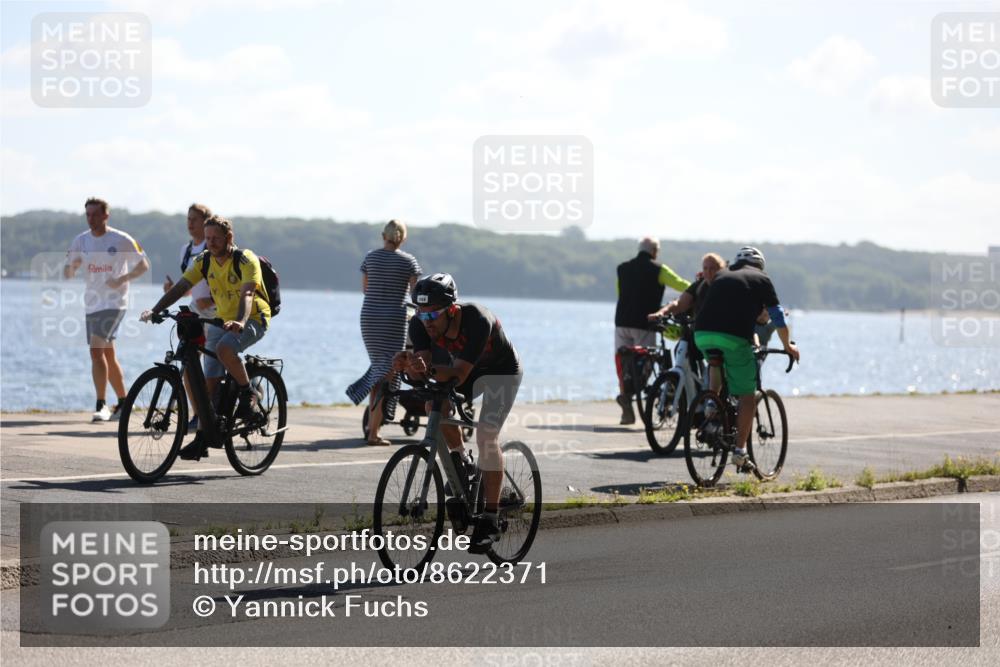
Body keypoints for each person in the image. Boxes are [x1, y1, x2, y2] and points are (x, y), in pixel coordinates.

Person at [392, 273, 521, 554]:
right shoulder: (420, 324)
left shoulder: (476, 320)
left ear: (451, 310)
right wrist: (409, 366)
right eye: (422, 316)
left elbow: (459, 373)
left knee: (487, 435)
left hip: (500, 372)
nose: (428, 322)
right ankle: (462, 460)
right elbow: (425, 365)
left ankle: (490, 517)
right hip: (467, 370)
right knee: (434, 407)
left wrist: (422, 368)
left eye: (434, 316)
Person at [141, 215, 271, 461]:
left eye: (216, 238)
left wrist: (241, 322)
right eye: (208, 238)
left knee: (225, 349)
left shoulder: (245, 259)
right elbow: (180, 287)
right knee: (208, 383)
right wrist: (156, 310)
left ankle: (247, 392)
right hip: (222, 320)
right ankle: (202, 441)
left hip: (253, 318)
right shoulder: (204, 261)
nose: (210, 243)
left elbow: (248, 295)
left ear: (229, 238)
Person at [694, 246, 800, 472]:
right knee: (747, 396)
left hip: (701, 334)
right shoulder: (762, 278)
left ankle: (712, 403)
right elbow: (777, 316)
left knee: (715, 362)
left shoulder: (722, 275)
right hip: (733, 339)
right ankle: (740, 452)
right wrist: (787, 345)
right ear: (760, 265)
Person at [64, 197, 149, 422]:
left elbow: (144, 264)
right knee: (108, 355)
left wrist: (123, 278)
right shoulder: (81, 241)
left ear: (105, 216)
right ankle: (124, 403)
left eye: (94, 214)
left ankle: (101, 405)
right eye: (87, 214)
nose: (91, 219)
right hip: (92, 303)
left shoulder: (120, 239)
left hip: (114, 303)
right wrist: (70, 269)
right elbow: (68, 268)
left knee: (95, 350)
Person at [346, 220, 422, 446]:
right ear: (403, 238)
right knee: (386, 376)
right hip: (394, 320)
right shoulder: (409, 261)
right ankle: (372, 433)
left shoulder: (371, 257)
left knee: (382, 369)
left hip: (369, 318)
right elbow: (416, 295)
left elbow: (365, 289)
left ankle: (373, 426)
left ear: (383, 235)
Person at [614, 237, 689, 424]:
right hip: (644, 323)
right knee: (647, 359)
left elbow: (619, 293)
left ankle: (625, 397)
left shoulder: (622, 268)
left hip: (622, 322)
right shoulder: (659, 269)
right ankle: (636, 391)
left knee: (623, 361)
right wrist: (700, 288)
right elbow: (681, 285)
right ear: (655, 251)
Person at [162, 203, 221, 433]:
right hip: (196, 310)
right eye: (188, 219)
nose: (190, 223)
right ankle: (198, 414)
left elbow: (225, 280)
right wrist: (172, 288)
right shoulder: (185, 250)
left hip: (217, 312)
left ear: (206, 221)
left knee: (213, 363)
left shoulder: (213, 245)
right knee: (188, 361)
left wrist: (214, 300)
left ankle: (248, 387)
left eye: (194, 219)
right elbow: (190, 286)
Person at [649, 252, 726, 323]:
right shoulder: (699, 285)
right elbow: (679, 303)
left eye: (712, 268)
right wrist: (661, 313)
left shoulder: (725, 286)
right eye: (705, 268)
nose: (708, 272)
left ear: (720, 269)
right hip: (699, 332)